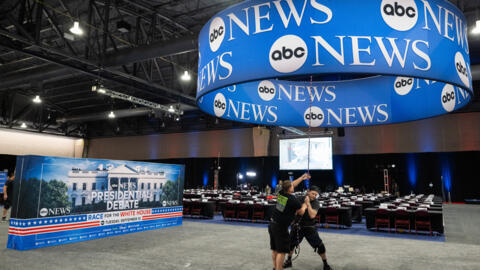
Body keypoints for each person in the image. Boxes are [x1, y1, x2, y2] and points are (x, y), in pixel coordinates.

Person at [283, 186, 332, 270]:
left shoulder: (316, 202)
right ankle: (288, 261)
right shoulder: (299, 198)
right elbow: (296, 212)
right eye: (313, 193)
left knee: (320, 246)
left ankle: (325, 264)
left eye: (316, 195)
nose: (314, 196)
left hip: (310, 227)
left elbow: (312, 215)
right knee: (291, 244)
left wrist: (308, 204)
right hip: (297, 226)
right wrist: (303, 205)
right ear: (308, 191)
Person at [269, 173, 310, 270]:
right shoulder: (292, 199)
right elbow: (301, 212)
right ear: (289, 188)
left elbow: (293, 184)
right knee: (281, 251)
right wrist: (305, 203)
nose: (293, 186)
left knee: (275, 249)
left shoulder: (281, 192)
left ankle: (275, 268)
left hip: (272, 224)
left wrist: (301, 177)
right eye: (292, 186)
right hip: (281, 228)